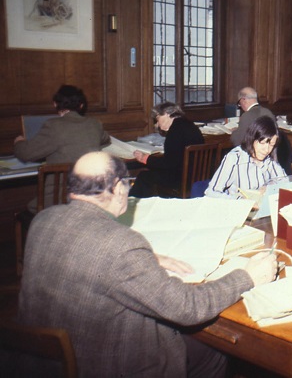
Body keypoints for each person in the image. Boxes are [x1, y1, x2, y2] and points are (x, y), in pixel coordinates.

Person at [17, 151, 277, 377]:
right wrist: (247, 277)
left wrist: (147, 258)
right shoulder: (121, 245)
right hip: (105, 364)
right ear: (119, 188)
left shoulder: (43, 220)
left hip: (45, 359)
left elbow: (83, 254)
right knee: (215, 351)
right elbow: (188, 308)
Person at [14, 85, 110, 213]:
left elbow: (25, 154)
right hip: (89, 196)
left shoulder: (53, 125)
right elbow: (106, 139)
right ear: (81, 106)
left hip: (58, 200)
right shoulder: (95, 123)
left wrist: (19, 142)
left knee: (28, 206)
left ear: (55, 104)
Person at [130, 102, 204, 198]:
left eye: (157, 119)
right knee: (150, 170)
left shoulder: (175, 131)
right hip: (194, 176)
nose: (157, 124)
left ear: (166, 114)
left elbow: (168, 163)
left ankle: (132, 205)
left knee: (144, 176)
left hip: (180, 179)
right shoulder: (190, 125)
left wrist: (145, 158)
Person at [205, 116, 287, 199]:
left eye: (271, 145)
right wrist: (240, 200)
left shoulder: (269, 158)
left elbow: (285, 182)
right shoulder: (234, 159)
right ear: (252, 139)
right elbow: (210, 193)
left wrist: (269, 187)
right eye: (262, 143)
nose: (266, 150)